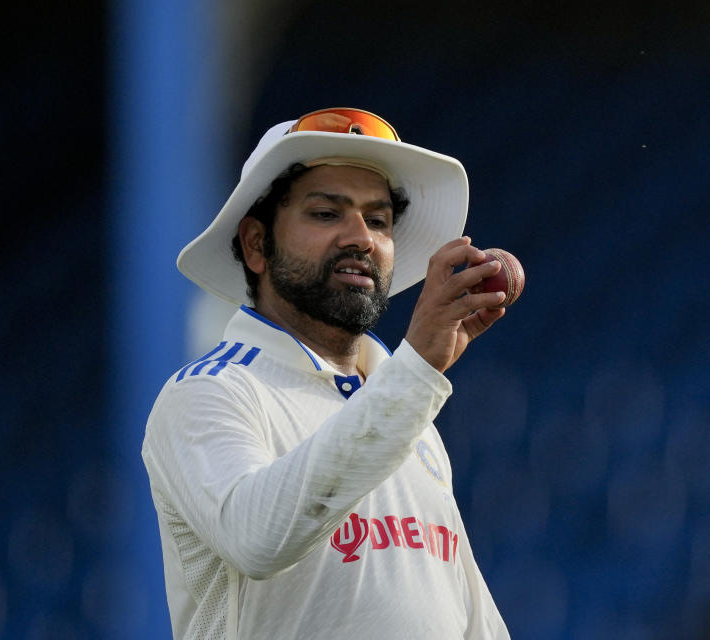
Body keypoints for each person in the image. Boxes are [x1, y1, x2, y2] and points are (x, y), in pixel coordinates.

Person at [142, 108, 511, 639]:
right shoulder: (210, 392)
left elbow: (468, 616)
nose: (360, 237)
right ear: (255, 245)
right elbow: (257, 539)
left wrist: (411, 380)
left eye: (379, 220)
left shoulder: (408, 412)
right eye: (325, 213)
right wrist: (415, 371)